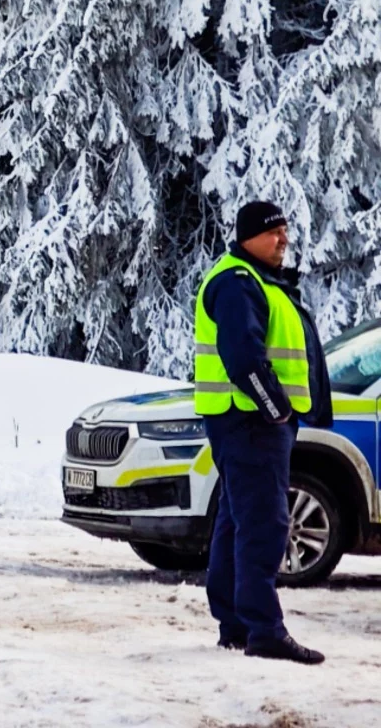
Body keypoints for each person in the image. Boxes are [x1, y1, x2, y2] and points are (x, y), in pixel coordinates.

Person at [193, 202, 333, 664]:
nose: (283, 239)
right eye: (274, 232)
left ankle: (236, 623)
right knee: (264, 524)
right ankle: (264, 631)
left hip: (249, 421)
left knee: (238, 520)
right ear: (248, 236)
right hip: (251, 420)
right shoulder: (238, 283)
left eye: (285, 231)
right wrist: (275, 409)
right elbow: (243, 356)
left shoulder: (256, 281)